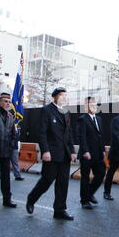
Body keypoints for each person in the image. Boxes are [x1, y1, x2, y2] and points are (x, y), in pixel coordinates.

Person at [26, 87, 77, 220]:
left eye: (65, 95)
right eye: (61, 95)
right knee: (47, 180)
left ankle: (59, 210)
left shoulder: (65, 111)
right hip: (51, 153)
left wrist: (72, 151)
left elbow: (69, 133)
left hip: (64, 153)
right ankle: (31, 199)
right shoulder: (46, 110)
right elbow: (42, 132)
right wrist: (45, 150)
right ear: (54, 96)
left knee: (63, 182)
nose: (63, 97)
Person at [77, 96, 106, 209]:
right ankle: (84, 200)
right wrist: (85, 151)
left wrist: (103, 150)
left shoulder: (99, 119)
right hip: (87, 154)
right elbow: (81, 136)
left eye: (94, 103)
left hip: (98, 153)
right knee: (85, 177)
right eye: (90, 104)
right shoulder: (82, 119)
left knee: (100, 174)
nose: (93, 105)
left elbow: (100, 136)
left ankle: (89, 193)